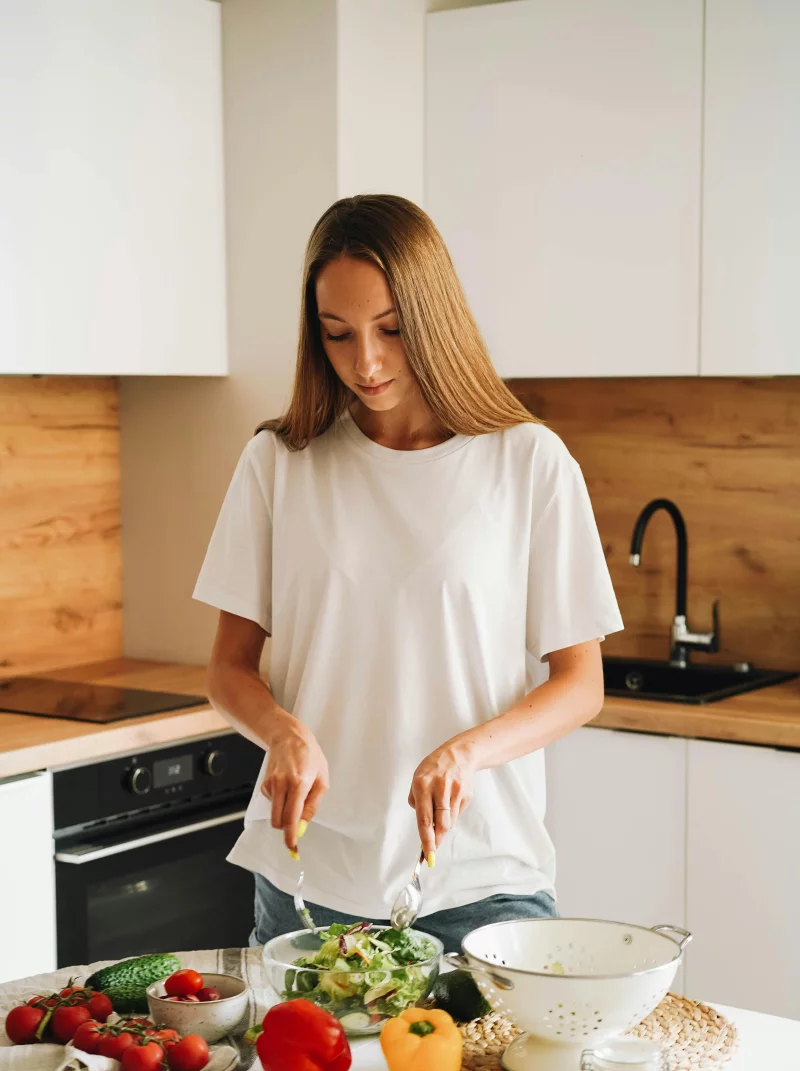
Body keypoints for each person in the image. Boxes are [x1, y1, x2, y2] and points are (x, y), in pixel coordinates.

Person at [193, 194, 623, 955]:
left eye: (391, 330)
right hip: (308, 882)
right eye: (338, 334)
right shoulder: (279, 465)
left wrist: (466, 752)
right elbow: (229, 669)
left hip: (481, 882)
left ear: (433, 316)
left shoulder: (527, 462)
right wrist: (283, 733)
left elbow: (580, 682)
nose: (366, 362)